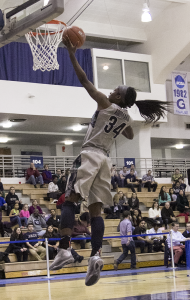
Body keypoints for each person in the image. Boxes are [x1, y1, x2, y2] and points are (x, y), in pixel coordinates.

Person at [49, 34, 170, 286]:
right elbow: (130, 132)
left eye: (117, 90)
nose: (112, 90)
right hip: (105, 162)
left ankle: (63, 249)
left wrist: (71, 52)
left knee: (69, 201)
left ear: (117, 98)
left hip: (90, 154)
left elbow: (84, 80)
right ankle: (95, 255)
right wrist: (123, 118)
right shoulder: (126, 117)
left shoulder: (104, 102)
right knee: (96, 211)